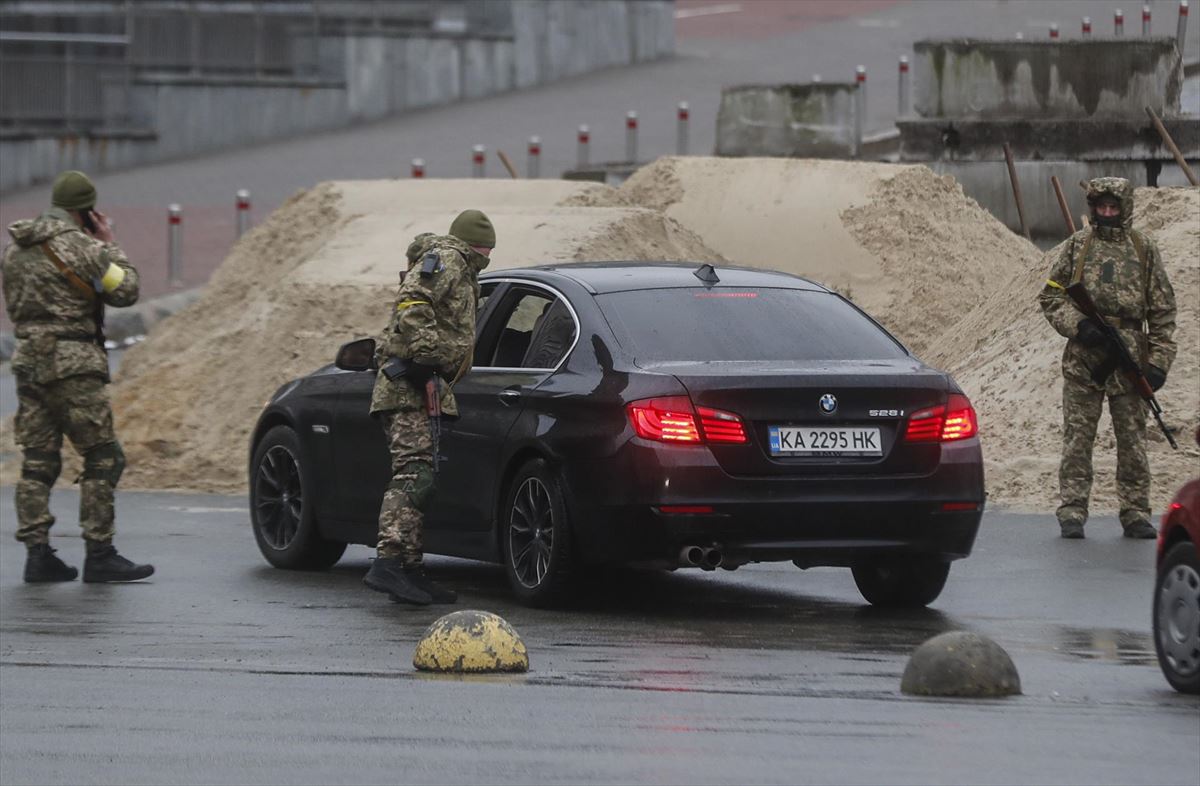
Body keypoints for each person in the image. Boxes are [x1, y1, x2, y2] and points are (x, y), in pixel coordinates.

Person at [1, 170, 155, 581]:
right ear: (85, 211)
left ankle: (38, 555)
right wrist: (109, 245)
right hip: (73, 364)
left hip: (29, 360)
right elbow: (126, 290)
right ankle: (100, 553)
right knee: (103, 456)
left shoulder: (14, 247)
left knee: (37, 461)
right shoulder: (84, 247)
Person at [362, 210, 494, 604]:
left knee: (424, 476)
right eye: (488, 248)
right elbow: (412, 301)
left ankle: (410, 568)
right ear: (477, 245)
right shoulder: (449, 259)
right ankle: (387, 562)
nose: (489, 255)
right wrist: (425, 359)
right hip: (407, 386)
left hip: (424, 386)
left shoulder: (460, 267)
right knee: (413, 474)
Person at [1038, 177, 1177, 539]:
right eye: (1101, 207)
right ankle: (1072, 510)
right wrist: (1079, 325)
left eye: (1114, 207)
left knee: (1132, 439)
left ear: (1125, 208)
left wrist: (1159, 362)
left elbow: (1163, 311)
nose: (1107, 213)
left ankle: (1134, 511)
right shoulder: (1076, 247)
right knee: (1078, 438)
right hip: (1084, 360)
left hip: (1130, 357)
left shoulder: (1143, 248)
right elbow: (1051, 296)